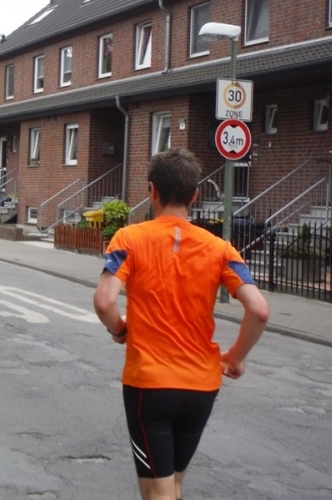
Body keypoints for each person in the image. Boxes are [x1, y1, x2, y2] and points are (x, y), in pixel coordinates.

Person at [93, 148, 269, 500]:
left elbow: (104, 301)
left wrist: (120, 330)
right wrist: (234, 357)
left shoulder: (130, 238)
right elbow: (259, 310)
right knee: (173, 484)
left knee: (156, 491)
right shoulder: (221, 249)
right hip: (201, 386)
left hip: (150, 385)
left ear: (152, 191)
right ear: (195, 195)